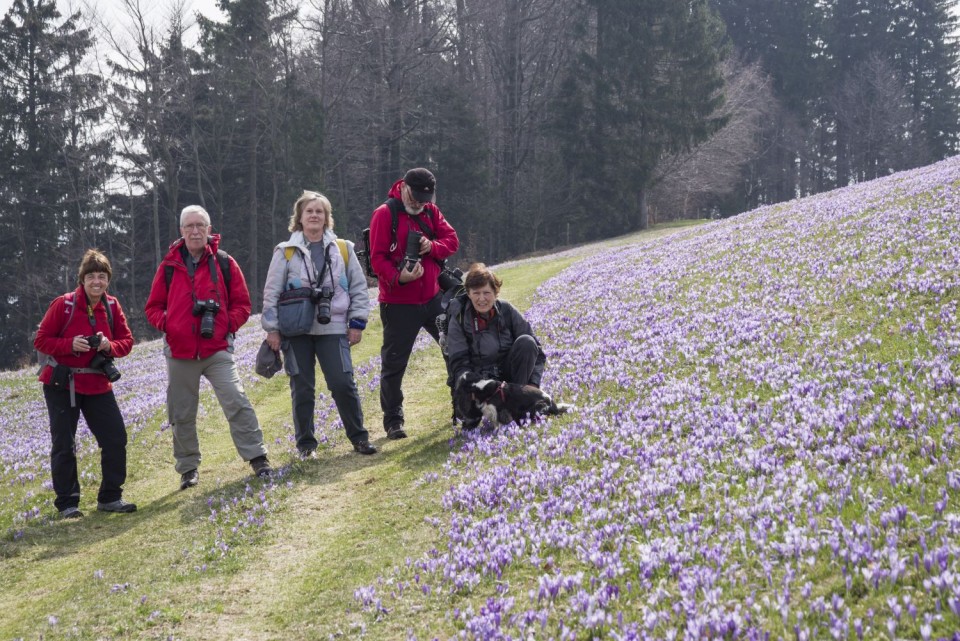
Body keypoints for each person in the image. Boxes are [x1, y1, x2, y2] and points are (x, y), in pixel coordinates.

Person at [145, 205, 272, 490]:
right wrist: (170, 324)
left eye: (200, 226)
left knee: (236, 400)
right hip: (179, 352)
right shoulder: (168, 266)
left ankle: (257, 457)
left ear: (209, 230)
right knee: (181, 413)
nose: (194, 231)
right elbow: (152, 307)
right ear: (181, 231)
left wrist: (227, 326)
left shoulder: (225, 262)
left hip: (216, 350)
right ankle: (188, 469)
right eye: (189, 226)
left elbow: (243, 304)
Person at [261, 191, 377, 457]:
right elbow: (271, 292)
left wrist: (357, 322)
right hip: (295, 329)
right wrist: (272, 329)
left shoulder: (343, 249)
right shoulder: (285, 252)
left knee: (342, 383)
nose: (314, 215)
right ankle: (306, 446)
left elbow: (359, 289)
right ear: (299, 218)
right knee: (302, 388)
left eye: (319, 211)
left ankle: (359, 438)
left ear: (327, 218)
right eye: (309, 211)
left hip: (333, 327)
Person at [34, 249, 137, 518]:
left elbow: (127, 342)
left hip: (97, 383)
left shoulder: (112, 306)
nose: (96, 282)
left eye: (101, 276)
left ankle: (110, 497)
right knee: (64, 443)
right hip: (61, 383)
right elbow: (41, 340)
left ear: (108, 280)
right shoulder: (64, 304)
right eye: (91, 276)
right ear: (82, 279)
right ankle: (68, 503)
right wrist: (70, 344)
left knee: (115, 438)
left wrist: (108, 345)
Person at [369, 168, 460, 439]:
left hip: (433, 298)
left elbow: (452, 241)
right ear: (404, 187)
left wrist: (431, 247)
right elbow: (377, 259)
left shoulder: (431, 211)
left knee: (455, 351)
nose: (419, 203)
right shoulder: (385, 214)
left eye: (425, 198)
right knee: (394, 364)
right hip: (398, 303)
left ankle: (462, 406)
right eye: (416, 196)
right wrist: (400, 277)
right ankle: (393, 420)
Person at [445, 263, 546, 425]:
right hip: (480, 385)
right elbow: (459, 365)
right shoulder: (459, 318)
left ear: (495, 292)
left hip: (509, 381)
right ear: (469, 294)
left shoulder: (506, 310)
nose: (481, 298)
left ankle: (515, 405)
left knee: (527, 342)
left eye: (486, 293)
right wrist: (474, 389)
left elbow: (538, 352)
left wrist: (531, 389)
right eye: (476, 293)